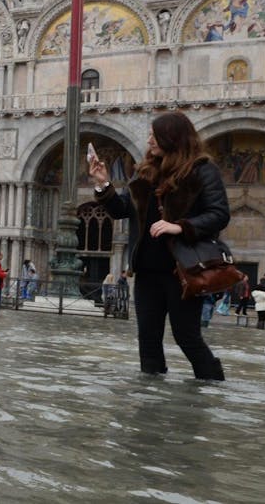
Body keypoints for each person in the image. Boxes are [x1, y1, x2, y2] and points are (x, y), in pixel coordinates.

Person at [90, 111, 228, 380]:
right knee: (148, 339)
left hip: (183, 269)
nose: (149, 140)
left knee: (186, 336)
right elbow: (122, 210)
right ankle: (151, 397)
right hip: (147, 269)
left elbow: (219, 213)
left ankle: (213, 387)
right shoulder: (145, 172)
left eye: (154, 134)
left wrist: (180, 226)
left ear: (172, 137)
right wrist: (104, 184)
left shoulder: (202, 170)